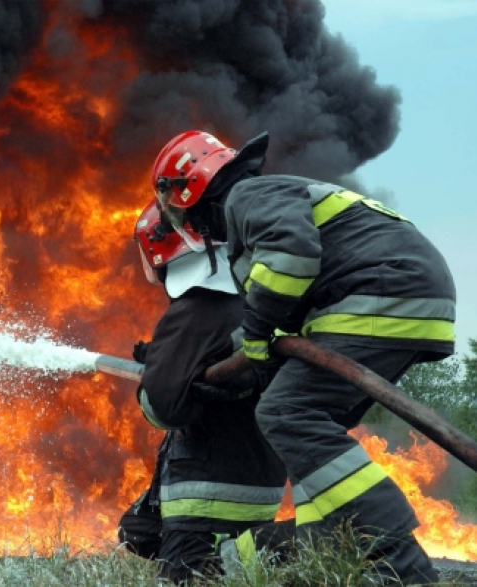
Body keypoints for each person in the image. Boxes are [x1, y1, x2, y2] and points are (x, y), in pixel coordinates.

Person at [148, 129, 456, 584]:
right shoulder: (266, 199)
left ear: (190, 189)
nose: (185, 223)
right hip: (404, 296)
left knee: (287, 412)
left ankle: (398, 561)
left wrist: (254, 335)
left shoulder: (246, 196)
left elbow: (292, 258)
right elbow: (292, 302)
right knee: (312, 433)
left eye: (176, 208)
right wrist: (247, 361)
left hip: (381, 291)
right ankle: (334, 550)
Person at [118, 200, 288, 584]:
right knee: (137, 531)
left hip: (208, 492)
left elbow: (163, 409)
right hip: (259, 480)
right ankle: (241, 557)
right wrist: (168, 364)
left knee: (189, 578)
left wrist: (154, 379)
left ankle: (272, 552)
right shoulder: (251, 303)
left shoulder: (196, 308)